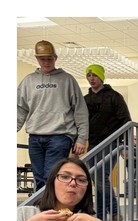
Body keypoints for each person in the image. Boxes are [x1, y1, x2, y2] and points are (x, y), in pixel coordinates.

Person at [17, 40, 89, 192]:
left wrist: (82, 138)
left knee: (51, 175)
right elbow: (19, 109)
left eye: (49, 58)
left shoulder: (67, 80)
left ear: (55, 58)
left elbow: (80, 110)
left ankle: (51, 211)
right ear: (37, 59)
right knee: (39, 177)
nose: (46, 62)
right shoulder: (28, 81)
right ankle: (44, 211)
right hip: (35, 136)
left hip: (60, 136)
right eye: (42, 58)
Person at [83, 64, 131, 221]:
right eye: (89, 75)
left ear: (101, 77)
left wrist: (125, 145)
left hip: (112, 142)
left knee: (100, 177)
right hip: (93, 144)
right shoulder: (86, 100)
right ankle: (102, 216)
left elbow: (126, 121)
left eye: (94, 75)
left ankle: (115, 211)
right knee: (97, 178)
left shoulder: (114, 97)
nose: (91, 78)